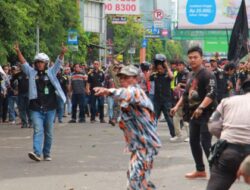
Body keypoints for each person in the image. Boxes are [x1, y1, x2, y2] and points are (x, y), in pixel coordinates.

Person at [93, 65, 161, 189]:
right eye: (121, 78)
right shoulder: (127, 98)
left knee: (135, 180)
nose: (122, 80)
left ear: (135, 79)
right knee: (136, 180)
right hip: (139, 146)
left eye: (126, 77)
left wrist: (109, 91)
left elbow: (126, 92)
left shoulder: (136, 92)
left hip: (146, 146)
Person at [14, 43, 67, 162]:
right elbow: (23, 63)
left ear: (46, 63)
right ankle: (37, 153)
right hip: (35, 107)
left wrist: (62, 52)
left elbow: (58, 63)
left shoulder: (51, 72)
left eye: (41, 62)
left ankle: (46, 153)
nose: (39, 64)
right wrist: (18, 51)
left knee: (48, 132)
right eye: (37, 62)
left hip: (50, 107)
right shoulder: (31, 72)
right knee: (38, 129)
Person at [170, 46, 217, 179]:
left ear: (201, 58)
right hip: (193, 115)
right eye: (190, 57)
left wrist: (201, 107)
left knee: (205, 142)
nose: (192, 60)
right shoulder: (190, 74)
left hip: (207, 114)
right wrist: (176, 107)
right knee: (193, 141)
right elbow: (185, 94)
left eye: (195, 57)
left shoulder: (208, 74)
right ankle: (200, 170)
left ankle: (216, 172)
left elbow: (212, 93)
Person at [206, 78, 250, 190]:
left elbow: (213, 125)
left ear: (242, 90)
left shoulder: (227, 101)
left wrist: (226, 136)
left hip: (229, 151)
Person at [150, 54, 177, 141]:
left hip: (166, 100)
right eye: (158, 69)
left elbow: (172, 77)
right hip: (157, 100)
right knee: (154, 118)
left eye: (161, 68)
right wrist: (152, 68)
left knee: (169, 118)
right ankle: (151, 134)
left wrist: (167, 66)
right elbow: (148, 78)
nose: (160, 70)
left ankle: (173, 135)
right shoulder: (155, 75)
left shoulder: (167, 75)